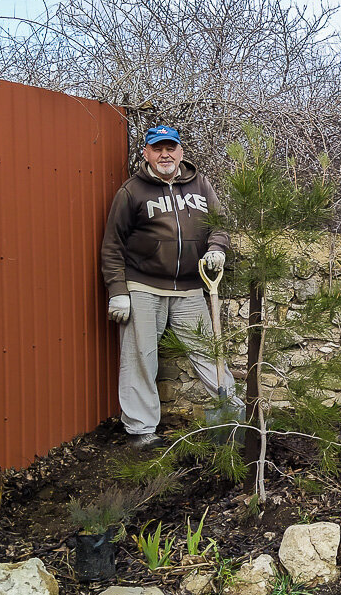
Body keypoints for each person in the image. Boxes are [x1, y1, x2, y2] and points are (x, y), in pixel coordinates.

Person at [101, 125, 242, 448]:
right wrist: (118, 291)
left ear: (180, 152)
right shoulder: (131, 191)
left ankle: (232, 416)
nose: (165, 155)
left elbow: (219, 224)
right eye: (157, 149)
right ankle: (141, 430)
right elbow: (112, 246)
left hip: (192, 286)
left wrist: (217, 248)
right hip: (144, 285)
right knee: (141, 357)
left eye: (171, 148)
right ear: (146, 154)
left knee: (210, 352)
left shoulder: (200, 184)